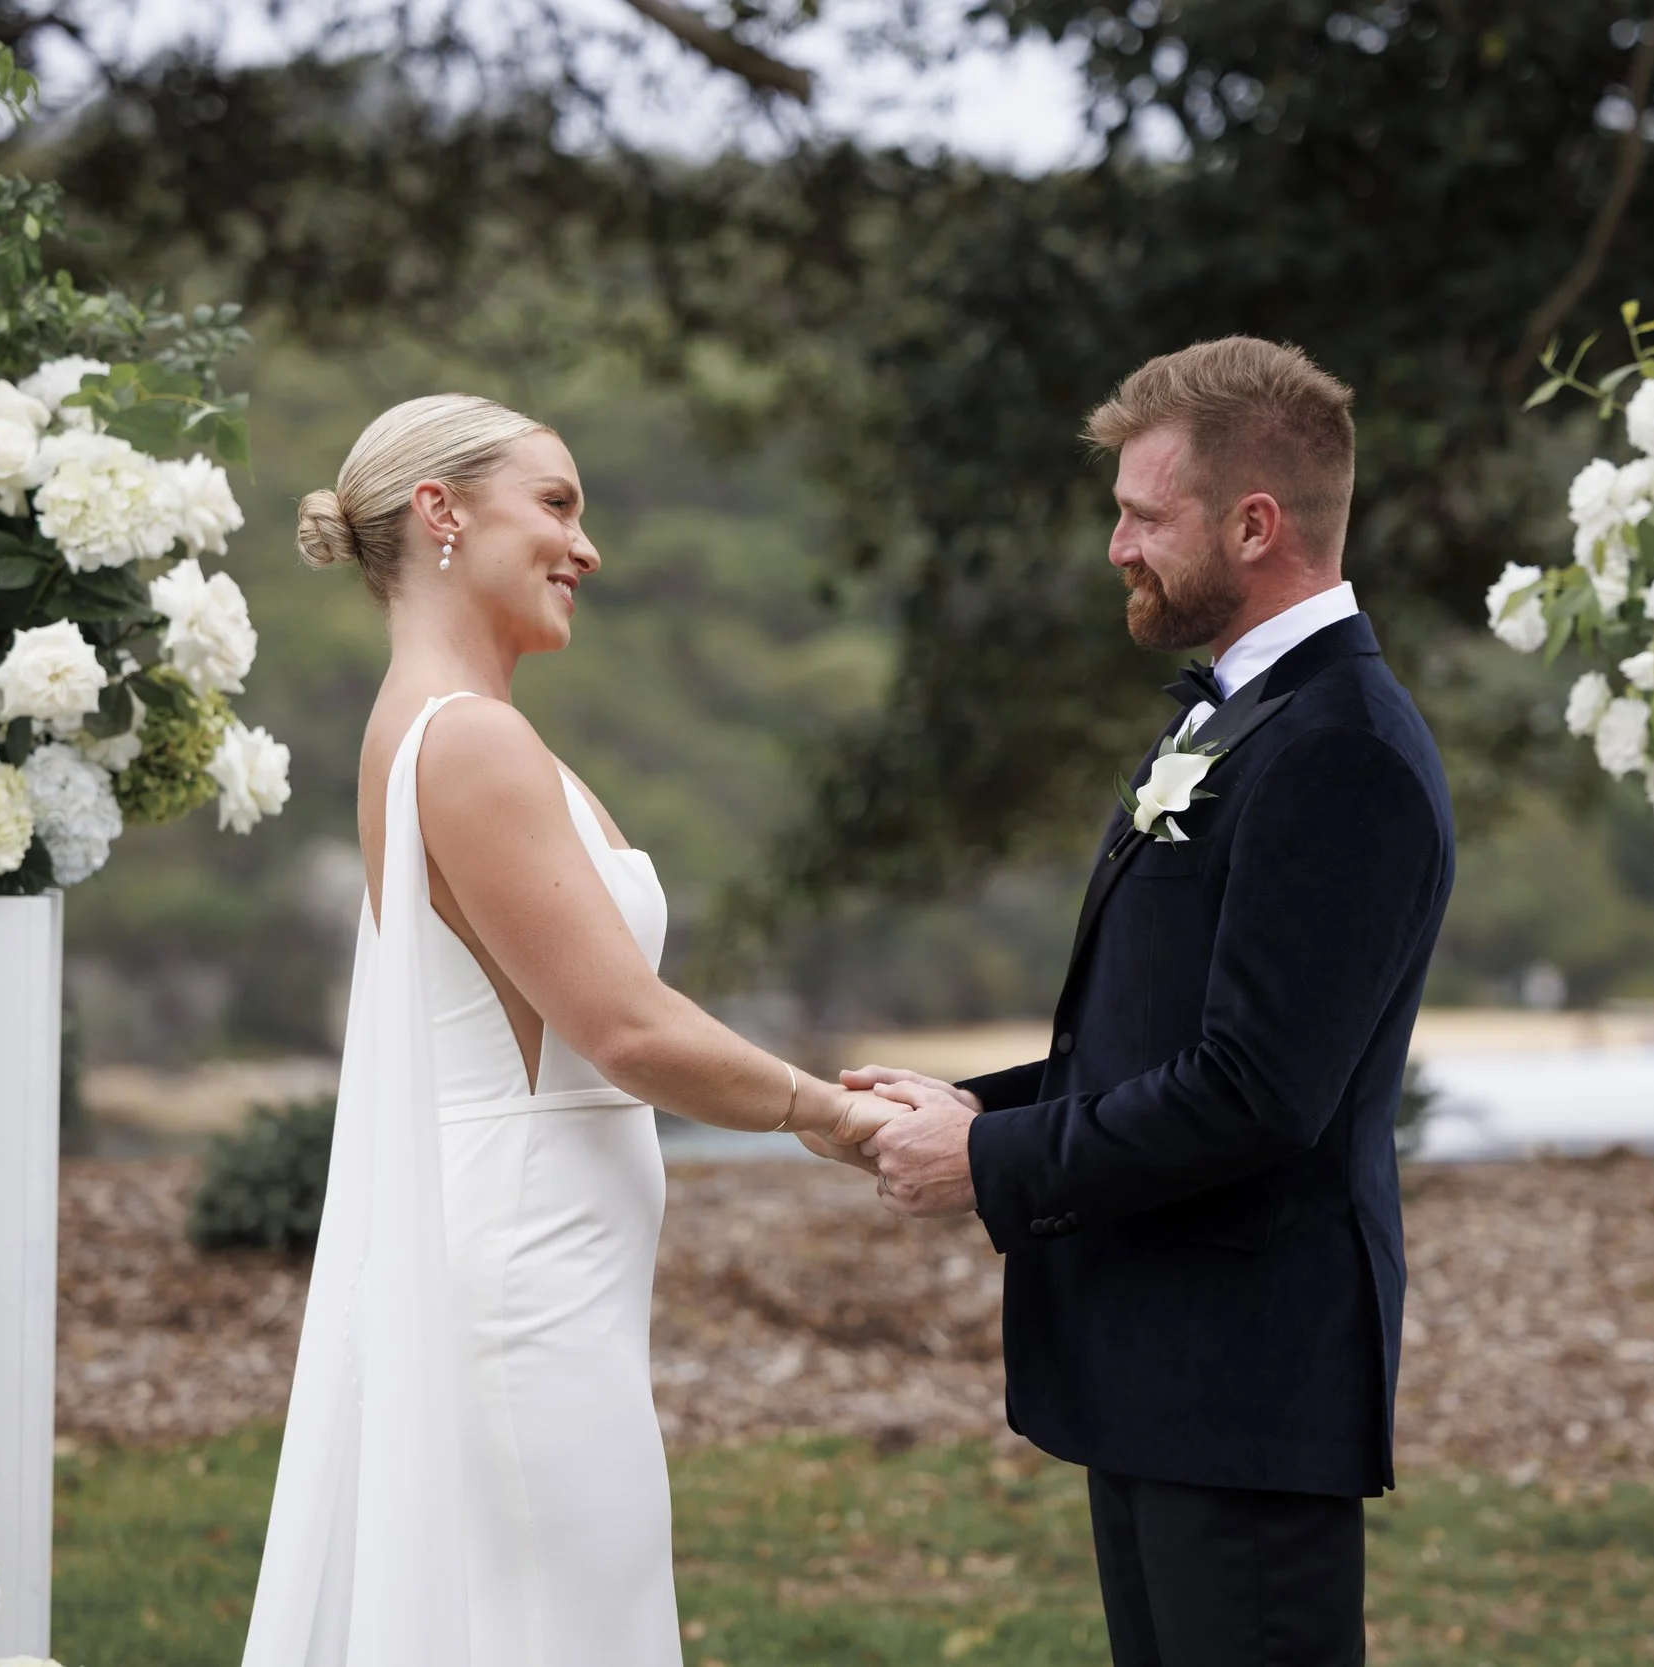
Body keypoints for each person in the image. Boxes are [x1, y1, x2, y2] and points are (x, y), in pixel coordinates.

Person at [240, 393, 892, 1667]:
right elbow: (625, 1029)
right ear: (442, 512)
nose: (585, 548)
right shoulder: (469, 739)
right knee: (563, 1627)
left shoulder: (453, 727)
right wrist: (837, 1116)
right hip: (523, 1275)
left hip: (543, 1260)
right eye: (556, 504)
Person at [831, 337, 1456, 1666]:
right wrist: (973, 1103)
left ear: (1255, 522)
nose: (1116, 544)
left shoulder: (1340, 747)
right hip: (1165, 1366)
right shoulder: (1239, 715)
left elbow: (1257, 1091)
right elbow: (1153, 1035)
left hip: (1248, 1377)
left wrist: (989, 1159)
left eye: (1142, 514)